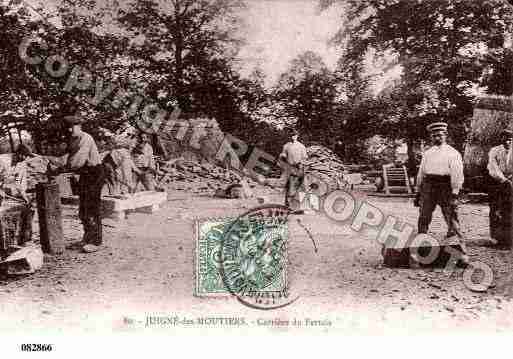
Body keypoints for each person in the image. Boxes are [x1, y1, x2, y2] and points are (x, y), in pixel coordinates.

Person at [48, 114, 105, 253]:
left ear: (79, 126)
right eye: (66, 128)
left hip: (94, 173)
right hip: (85, 174)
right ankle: (87, 237)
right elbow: (66, 156)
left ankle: (95, 241)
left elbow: (76, 162)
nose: (68, 130)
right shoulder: (72, 139)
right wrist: (50, 162)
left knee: (91, 206)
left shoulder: (85, 138)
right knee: (83, 208)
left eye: (71, 127)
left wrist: (60, 169)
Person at [415, 122, 468, 262]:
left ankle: (461, 252)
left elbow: (457, 174)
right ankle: (420, 246)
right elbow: (421, 172)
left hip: (446, 186)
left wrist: (455, 192)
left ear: (445, 135)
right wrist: (418, 191)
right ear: (431, 137)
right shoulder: (428, 153)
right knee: (423, 216)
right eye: (434, 136)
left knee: (451, 218)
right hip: (429, 186)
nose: (437, 137)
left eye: (440, 135)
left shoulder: (452, 153)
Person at [486, 129, 513, 249]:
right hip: (496, 182)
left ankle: (508, 238)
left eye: (510, 140)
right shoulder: (494, 151)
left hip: (511, 181)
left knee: (509, 210)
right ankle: (495, 237)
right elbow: (493, 167)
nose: (508, 142)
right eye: (505, 139)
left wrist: (510, 179)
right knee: (495, 208)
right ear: (501, 139)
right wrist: (503, 180)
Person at [279, 129, 308, 212]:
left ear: (297, 136)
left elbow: (305, 157)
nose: (293, 137)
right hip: (290, 168)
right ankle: (289, 207)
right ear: (289, 136)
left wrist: (301, 164)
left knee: (302, 187)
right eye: (291, 135)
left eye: (294, 135)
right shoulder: (286, 146)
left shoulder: (301, 146)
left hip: (300, 168)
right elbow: (283, 155)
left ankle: (303, 208)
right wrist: (282, 157)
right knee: (290, 188)